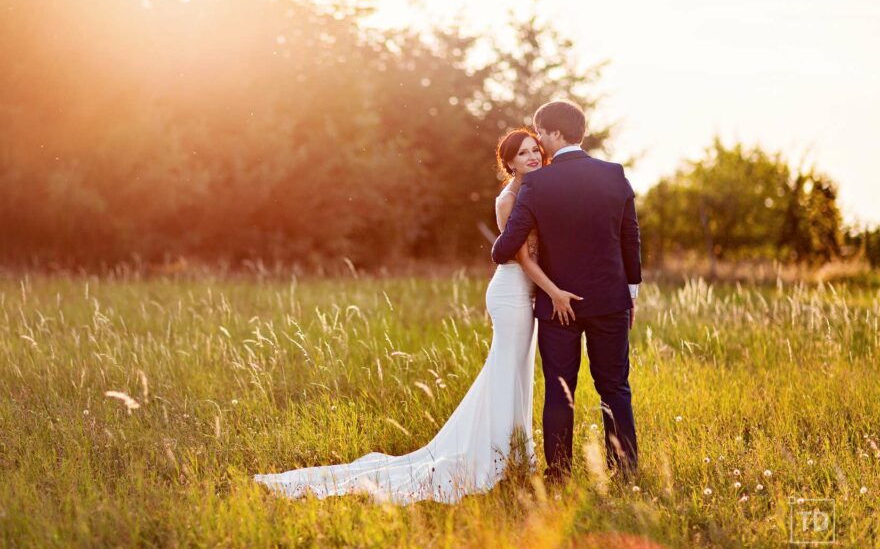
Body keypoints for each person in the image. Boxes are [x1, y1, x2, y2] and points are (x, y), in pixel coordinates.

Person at [253, 129, 580, 504]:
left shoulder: (540, 191)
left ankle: (517, 456)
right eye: (523, 154)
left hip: (530, 291)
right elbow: (521, 257)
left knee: (517, 372)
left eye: (535, 150)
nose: (533, 157)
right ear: (508, 163)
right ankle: (496, 460)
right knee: (507, 369)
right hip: (511, 292)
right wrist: (554, 291)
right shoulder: (508, 200)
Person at [492, 100, 642, 486]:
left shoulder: (539, 184)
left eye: (540, 133)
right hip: (610, 300)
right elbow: (630, 236)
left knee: (561, 389)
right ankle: (624, 471)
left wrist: (501, 246)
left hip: (558, 306)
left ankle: (558, 474)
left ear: (555, 133)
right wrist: (632, 292)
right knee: (614, 386)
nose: (538, 141)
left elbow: (504, 247)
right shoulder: (613, 174)